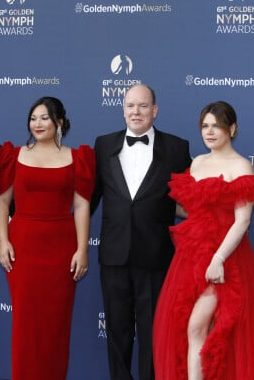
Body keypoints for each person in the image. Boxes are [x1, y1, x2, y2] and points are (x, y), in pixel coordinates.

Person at [152, 101, 254, 379]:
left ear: (232, 129)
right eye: (205, 126)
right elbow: (190, 209)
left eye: (217, 126)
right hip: (190, 256)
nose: (210, 132)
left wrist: (218, 259)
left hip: (225, 259)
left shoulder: (241, 166)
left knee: (197, 326)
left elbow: (243, 221)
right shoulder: (197, 163)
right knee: (188, 327)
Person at [91, 84, 192, 380]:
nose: (136, 111)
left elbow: (189, 202)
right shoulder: (103, 145)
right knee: (117, 333)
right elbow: (89, 198)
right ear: (122, 109)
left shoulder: (177, 148)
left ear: (155, 110)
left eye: (143, 106)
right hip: (114, 256)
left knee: (154, 335)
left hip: (156, 256)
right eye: (130, 105)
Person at [0, 96, 95, 379]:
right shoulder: (14, 155)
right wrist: (3, 241)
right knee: (26, 325)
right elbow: (1, 202)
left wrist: (82, 248)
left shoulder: (78, 157)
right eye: (33, 118)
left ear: (59, 122)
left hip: (61, 248)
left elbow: (82, 205)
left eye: (44, 118)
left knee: (55, 325)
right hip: (23, 247)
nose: (37, 123)